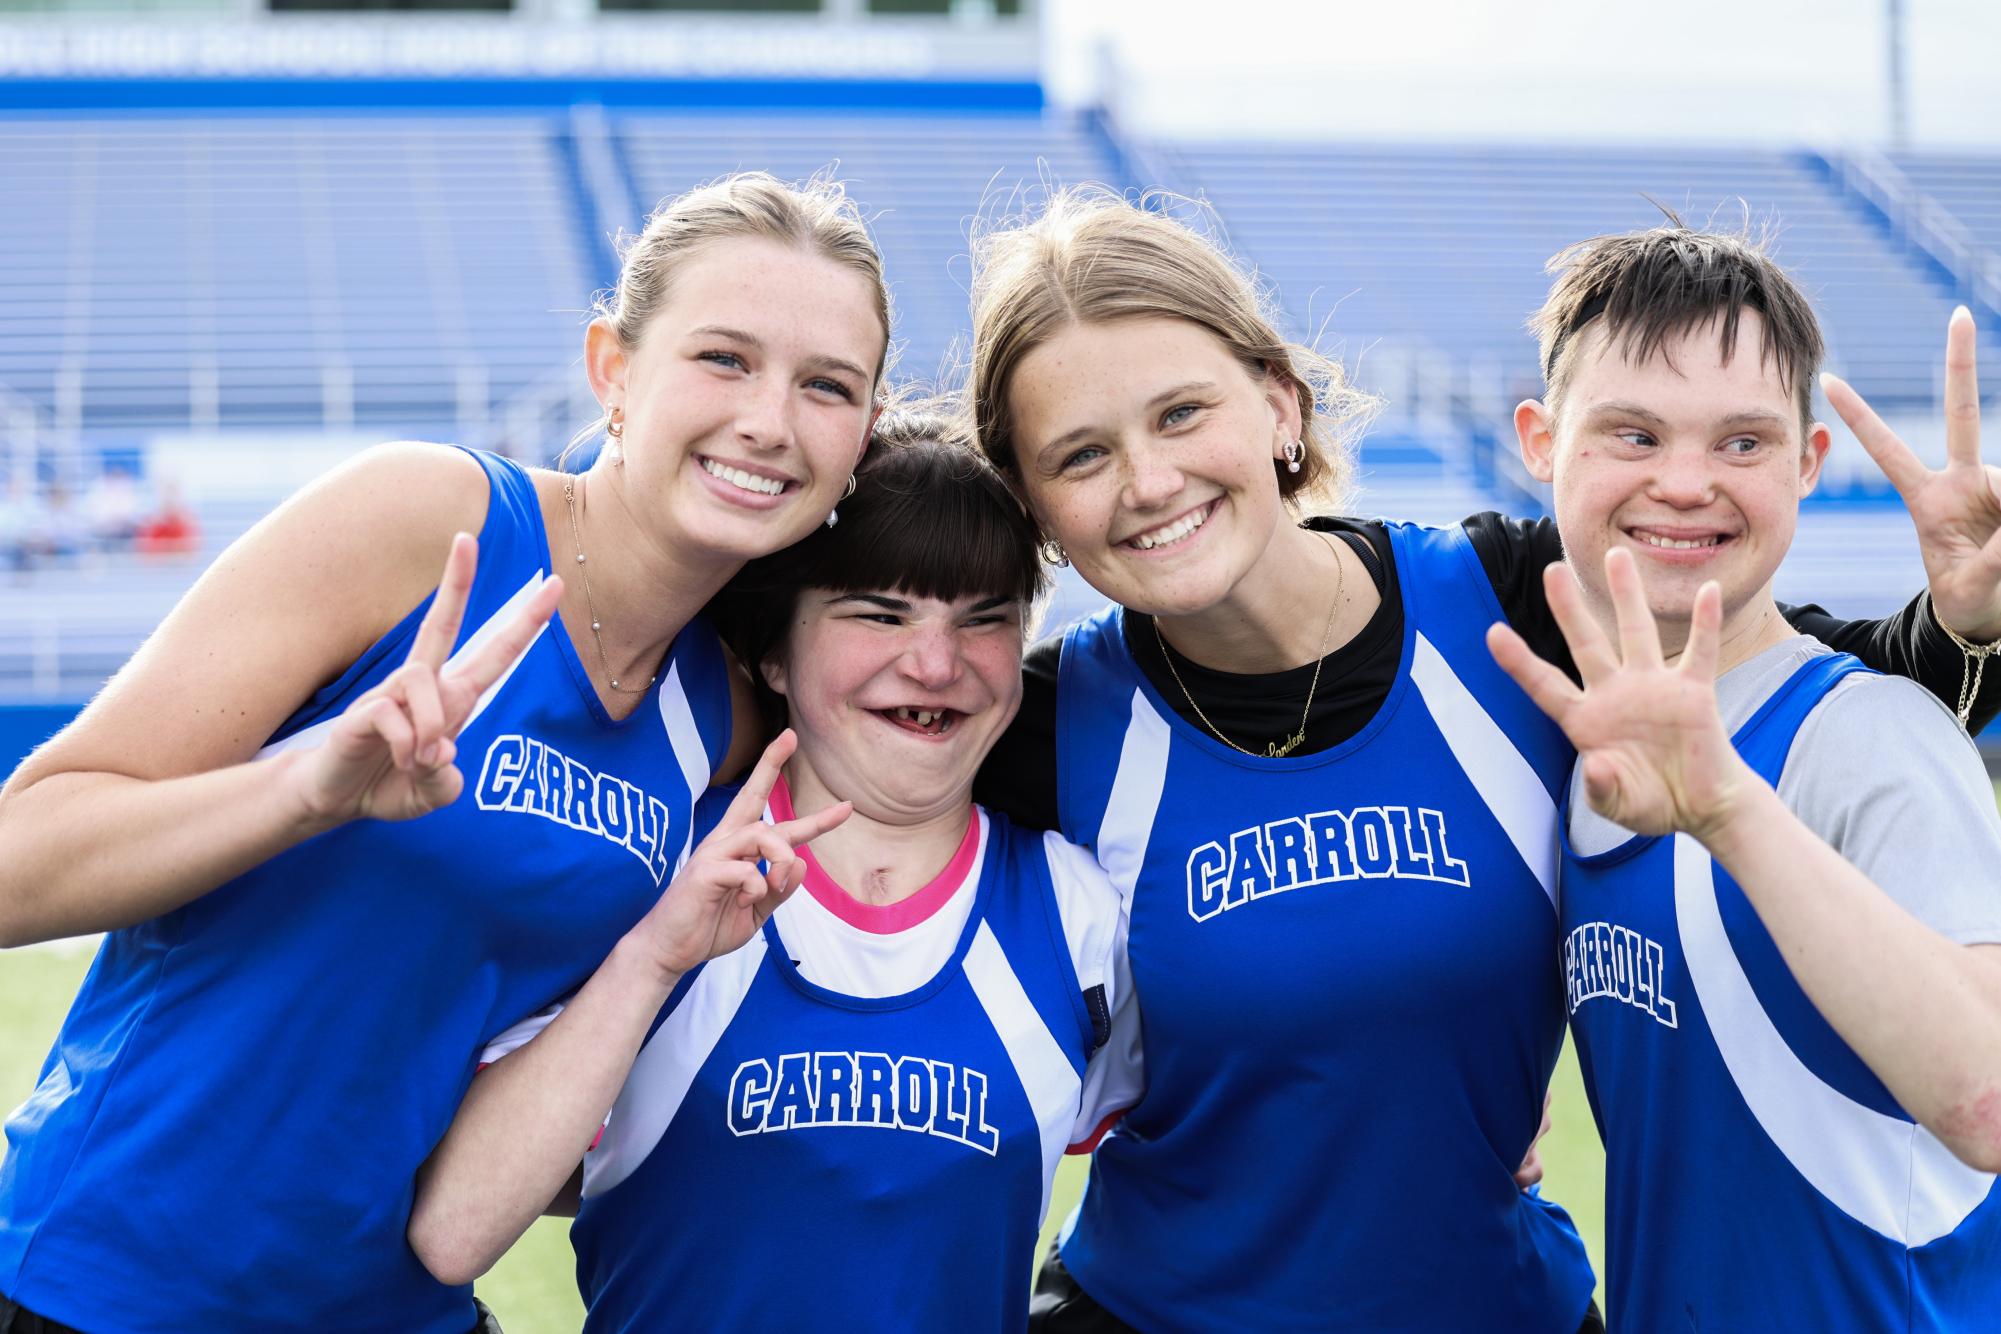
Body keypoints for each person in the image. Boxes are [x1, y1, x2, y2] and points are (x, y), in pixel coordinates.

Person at [963, 187, 2001, 1333]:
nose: (1149, 480)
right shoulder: (1041, 726)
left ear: (1279, 406)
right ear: (1033, 506)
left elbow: (1780, 670)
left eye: (1180, 414)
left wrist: (1968, 623)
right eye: (1082, 452)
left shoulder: (1513, 608)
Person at [0, 171, 889, 1334]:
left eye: (827, 386)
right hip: (108, 1288)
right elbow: (22, 857)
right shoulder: (432, 524)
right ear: (612, 370)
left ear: (863, 434)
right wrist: (302, 791)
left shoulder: (728, 720)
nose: (770, 419)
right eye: (724, 358)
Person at [405, 416, 1138, 1333]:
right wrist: (649, 964)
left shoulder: (1082, 919)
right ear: (770, 653)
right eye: (879, 613)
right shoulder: (651, 869)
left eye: (983, 618)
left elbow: (1202, 1171)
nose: (937, 663)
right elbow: (454, 1231)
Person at [1488, 225, 2001, 1330]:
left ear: (1808, 463)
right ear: (1541, 440)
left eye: (1742, 442)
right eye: (1633, 432)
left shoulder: (1872, 736)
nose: (1685, 483)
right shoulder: (1577, 755)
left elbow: (1988, 1102)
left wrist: (1728, 806)